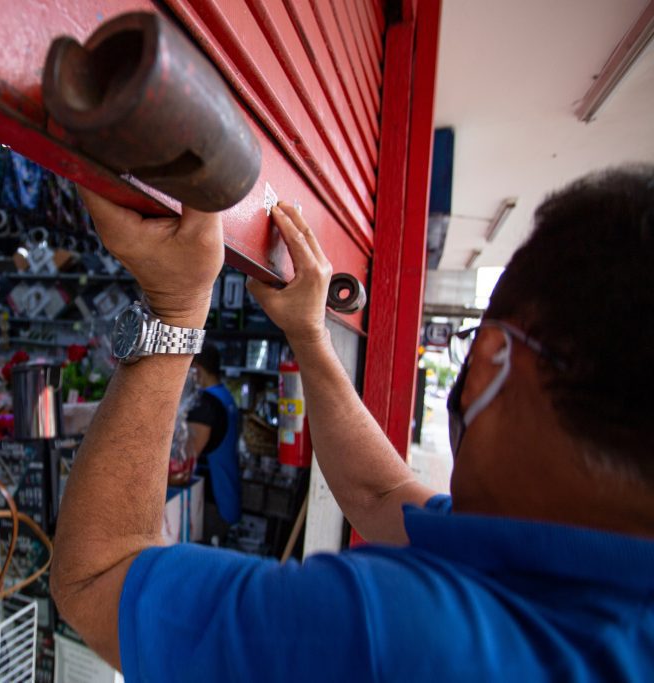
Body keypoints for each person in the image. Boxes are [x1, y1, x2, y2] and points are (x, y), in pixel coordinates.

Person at [51, 165, 654, 681]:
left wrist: (176, 308)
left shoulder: (392, 635)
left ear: (492, 358)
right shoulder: (566, 562)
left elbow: (97, 574)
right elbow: (380, 494)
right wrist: (310, 336)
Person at [186, 345, 241, 543]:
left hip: (212, 504)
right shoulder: (225, 397)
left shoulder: (205, 404)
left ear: (197, 370)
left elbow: (188, 454)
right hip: (228, 495)